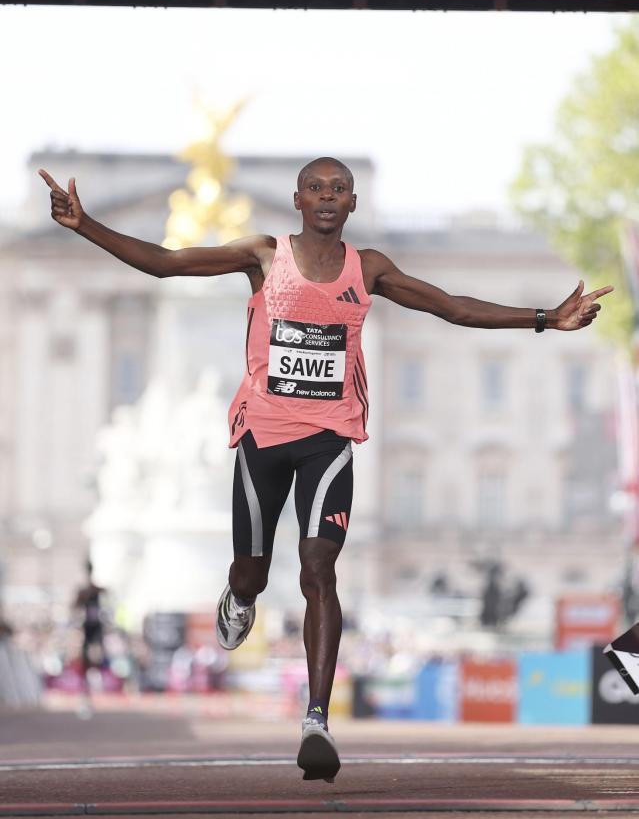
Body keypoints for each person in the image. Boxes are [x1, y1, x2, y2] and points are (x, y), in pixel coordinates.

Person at [40, 159, 614, 779]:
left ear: (352, 203)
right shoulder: (264, 256)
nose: (327, 197)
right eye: (315, 188)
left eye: (338, 189)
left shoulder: (368, 269)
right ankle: (240, 596)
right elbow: (167, 263)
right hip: (263, 438)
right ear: (297, 199)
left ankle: (316, 718)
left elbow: (450, 307)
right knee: (253, 572)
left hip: (329, 439)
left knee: (318, 570)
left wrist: (545, 319)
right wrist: (85, 225)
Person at [72, 559, 108, 718]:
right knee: (87, 659)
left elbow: (106, 593)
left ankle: (94, 684)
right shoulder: (85, 591)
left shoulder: (95, 589)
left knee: (96, 656)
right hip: (88, 627)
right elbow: (75, 605)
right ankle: (87, 691)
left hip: (96, 628)